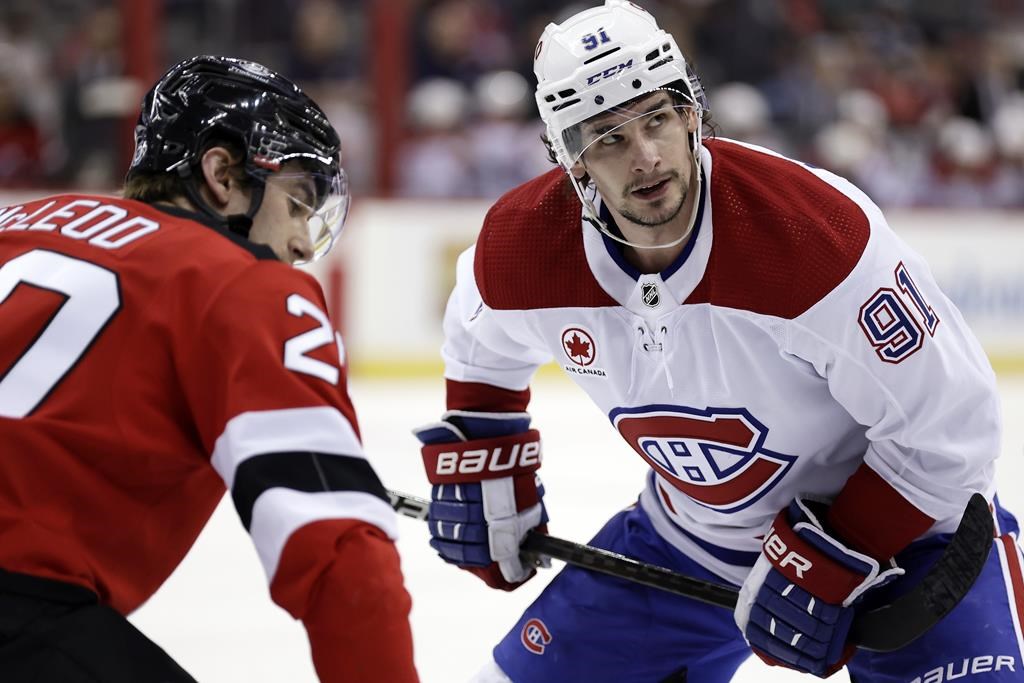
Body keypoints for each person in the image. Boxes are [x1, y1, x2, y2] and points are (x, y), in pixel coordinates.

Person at [414, 2, 1022, 682]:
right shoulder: (521, 248)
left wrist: (841, 547)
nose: (645, 157)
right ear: (571, 159)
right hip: (691, 541)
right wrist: (486, 459)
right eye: (608, 138)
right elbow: (479, 338)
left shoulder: (813, 239)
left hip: (911, 546)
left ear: (691, 115)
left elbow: (953, 421)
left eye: (656, 120)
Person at [0, 55, 418, 682]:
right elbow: (337, 548)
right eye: (299, 203)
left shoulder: (17, 224)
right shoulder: (244, 284)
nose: (304, 243)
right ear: (221, 173)